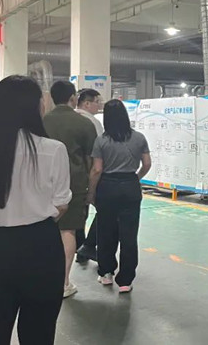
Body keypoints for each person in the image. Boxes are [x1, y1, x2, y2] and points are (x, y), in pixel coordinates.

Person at [0, 76, 71, 344]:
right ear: (35, 107)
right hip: (41, 246)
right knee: (39, 331)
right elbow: (61, 204)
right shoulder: (53, 150)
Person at [86, 100, 152, 293]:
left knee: (106, 232)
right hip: (130, 187)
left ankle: (106, 273)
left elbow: (97, 170)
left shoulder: (101, 141)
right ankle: (125, 281)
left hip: (107, 187)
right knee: (129, 235)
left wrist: (91, 192)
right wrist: (135, 178)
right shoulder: (139, 138)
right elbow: (147, 164)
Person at [44, 80, 98, 299]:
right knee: (68, 232)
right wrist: (91, 190)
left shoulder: (42, 120)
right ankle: (63, 282)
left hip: (43, 183)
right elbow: (92, 161)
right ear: (73, 98)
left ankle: (45, 278)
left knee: (45, 231)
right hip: (73, 184)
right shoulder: (84, 123)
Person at [74, 88, 103, 265]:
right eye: (96, 102)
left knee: (78, 214)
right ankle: (87, 246)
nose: (99, 105)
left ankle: (80, 247)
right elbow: (99, 151)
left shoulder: (69, 118)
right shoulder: (92, 122)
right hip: (89, 174)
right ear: (86, 103)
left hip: (70, 176)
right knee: (104, 211)